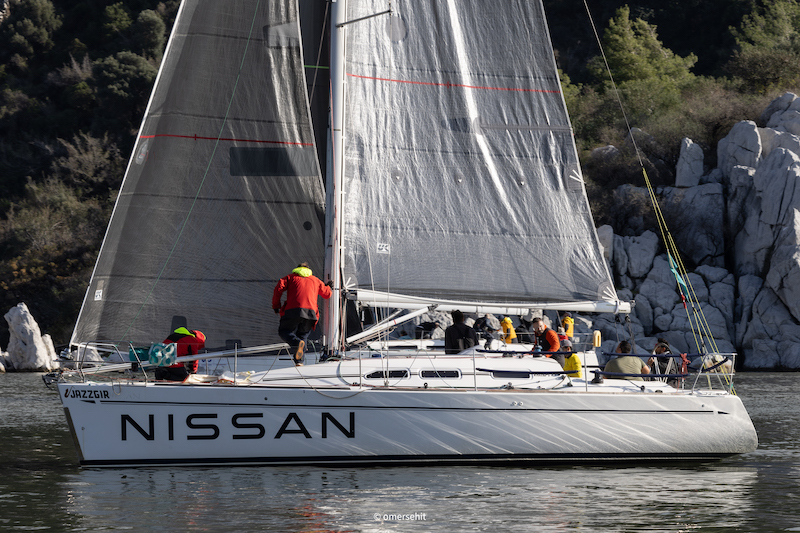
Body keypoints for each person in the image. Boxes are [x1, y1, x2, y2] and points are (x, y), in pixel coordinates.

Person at [273, 262, 332, 366]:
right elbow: (327, 294)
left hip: (293, 311)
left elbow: (278, 289)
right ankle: (299, 362)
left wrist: (276, 306)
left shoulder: (290, 278)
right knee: (303, 335)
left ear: (297, 269)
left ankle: (296, 344)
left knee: (284, 331)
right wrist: (328, 287)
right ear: (308, 270)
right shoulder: (315, 280)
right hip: (311, 313)